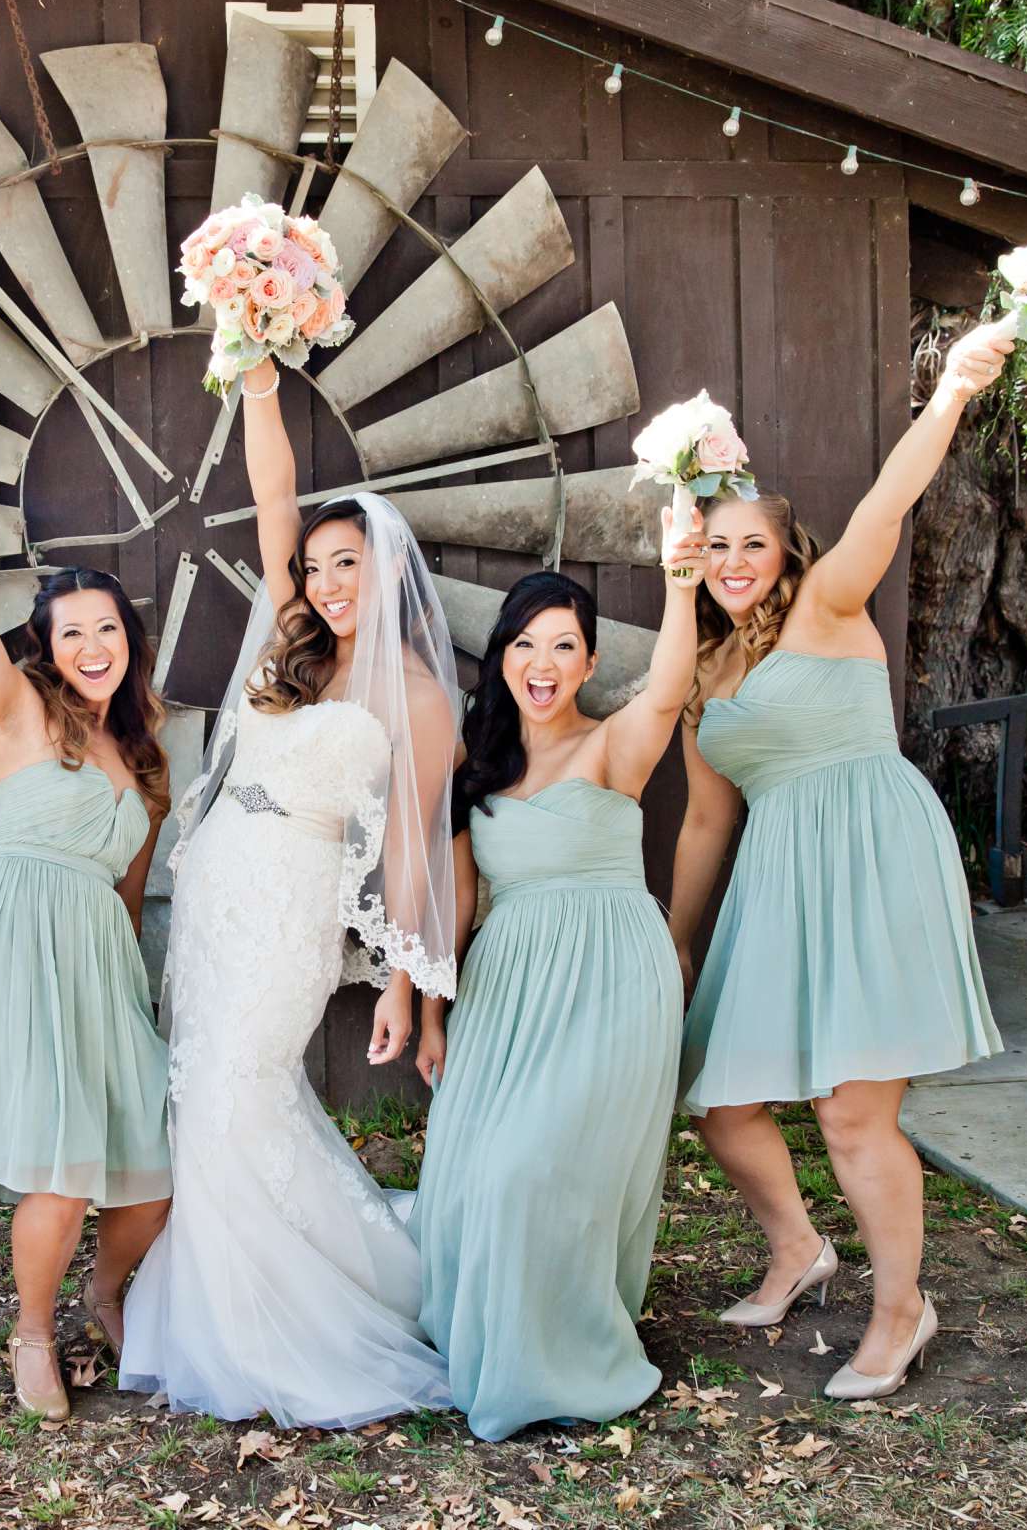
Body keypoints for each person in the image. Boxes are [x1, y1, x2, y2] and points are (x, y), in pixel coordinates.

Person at [671, 315, 1016, 1399]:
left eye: (752, 544)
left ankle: (901, 1310)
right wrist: (679, 947)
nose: (733, 563)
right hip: (778, 880)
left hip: (871, 853)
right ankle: (798, 1250)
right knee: (721, 1094)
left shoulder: (830, 603)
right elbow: (704, 824)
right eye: (714, 543)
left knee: (853, 1111)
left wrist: (953, 391)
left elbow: (891, 499)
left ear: (787, 553)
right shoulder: (703, 674)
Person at [118, 355, 457, 1430]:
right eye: (315, 567)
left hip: (294, 912)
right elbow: (271, 498)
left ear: (388, 567)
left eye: (348, 563)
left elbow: (413, 849)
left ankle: (287, 1319)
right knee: (201, 1097)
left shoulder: (415, 695)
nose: (327, 585)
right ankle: (216, 1302)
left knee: (236, 1091)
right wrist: (258, 384)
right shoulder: (295, 652)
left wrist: (403, 985)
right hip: (218, 889)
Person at [408, 519, 700, 1439]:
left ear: (588, 660)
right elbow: (455, 906)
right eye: (525, 645)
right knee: (469, 1179)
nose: (542, 663)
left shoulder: (616, 745)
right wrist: (430, 1016)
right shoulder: (479, 771)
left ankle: (561, 1356)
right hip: (506, 989)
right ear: (501, 660)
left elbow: (673, 686)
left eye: (563, 646)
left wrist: (683, 578)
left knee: (534, 1172)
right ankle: (496, 1337)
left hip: (613, 978)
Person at [0, 432, 173, 1424]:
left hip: (98, 957)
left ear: (127, 639)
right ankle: (31, 1330)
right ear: (47, 648)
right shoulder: (16, 712)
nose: (92, 649)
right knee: (62, 1164)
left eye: (107, 630)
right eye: (72, 635)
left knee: (153, 1160)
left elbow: (130, 894)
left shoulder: (145, 755)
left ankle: (105, 1289)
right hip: (17, 938)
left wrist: (131, 991)